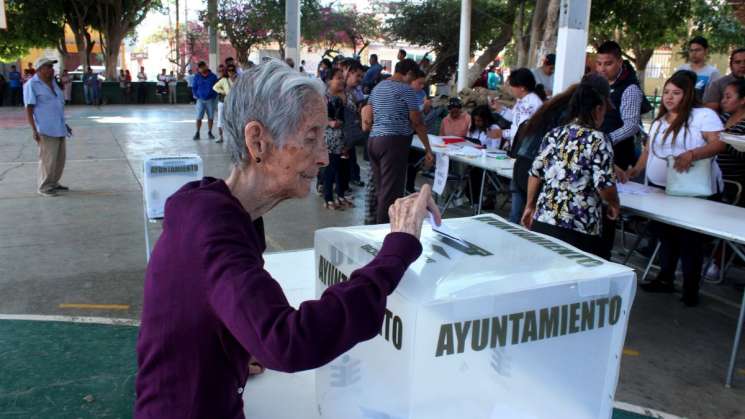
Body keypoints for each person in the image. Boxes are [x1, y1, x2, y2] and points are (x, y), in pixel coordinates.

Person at [134, 59, 441, 419]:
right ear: (257, 140)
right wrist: (398, 248)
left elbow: (207, 307)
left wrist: (235, 342)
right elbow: (288, 342)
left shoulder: (218, 213)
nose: (324, 156)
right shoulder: (212, 228)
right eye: (311, 138)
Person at [626, 72, 726, 306]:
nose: (669, 98)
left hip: (692, 191)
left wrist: (693, 154)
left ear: (688, 94)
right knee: (665, 236)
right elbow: (649, 151)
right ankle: (665, 278)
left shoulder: (703, 116)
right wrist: (634, 171)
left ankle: (690, 288)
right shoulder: (661, 121)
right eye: (667, 92)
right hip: (661, 189)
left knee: (689, 240)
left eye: (676, 93)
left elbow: (719, 143)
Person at [521, 78, 620, 259]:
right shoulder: (598, 139)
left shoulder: (555, 134)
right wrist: (613, 203)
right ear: (598, 109)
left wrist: (529, 205)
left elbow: (535, 173)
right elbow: (604, 185)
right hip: (580, 226)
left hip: (545, 219)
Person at [368, 59, 434, 223]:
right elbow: (417, 121)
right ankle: (385, 230)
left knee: (381, 189)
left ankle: (375, 225)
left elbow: (367, 114)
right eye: (413, 79)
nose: (413, 83)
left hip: (374, 140)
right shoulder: (406, 90)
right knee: (391, 192)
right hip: (393, 142)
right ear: (409, 73)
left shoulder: (378, 88)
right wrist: (428, 148)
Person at [508, 84, 578, 223]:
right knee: (534, 222)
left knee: (516, 218)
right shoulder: (565, 117)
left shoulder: (549, 108)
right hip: (534, 169)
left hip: (521, 165)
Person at [595, 40, 652, 171]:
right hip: (594, 150)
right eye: (599, 64)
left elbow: (631, 126)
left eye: (608, 64)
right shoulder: (595, 84)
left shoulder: (630, 89)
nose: (602, 69)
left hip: (618, 155)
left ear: (620, 62)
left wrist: (606, 140)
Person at [23, 58, 70, 197]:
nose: (51, 69)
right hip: (45, 128)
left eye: (52, 67)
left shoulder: (53, 82)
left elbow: (56, 105)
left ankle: (54, 182)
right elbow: (29, 109)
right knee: (47, 159)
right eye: (48, 66)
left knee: (59, 159)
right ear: (40, 69)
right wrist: (33, 129)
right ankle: (44, 186)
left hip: (59, 126)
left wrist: (64, 123)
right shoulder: (31, 85)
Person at [491, 68, 546, 150]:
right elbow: (515, 118)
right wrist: (499, 108)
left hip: (524, 148)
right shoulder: (523, 100)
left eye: (511, 86)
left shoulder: (530, 103)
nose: (510, 89)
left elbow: (521, 129)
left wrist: (502, 133)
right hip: (519, 146)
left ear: (522, 87)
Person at [321, 68, 352, 210]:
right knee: (330, 168)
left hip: (344, 138)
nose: (341, 80)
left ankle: (340, 195)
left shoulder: (346, 96)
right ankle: (328, 198)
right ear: (329, 81)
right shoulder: (323, 97)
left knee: (343, 168)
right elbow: (315, 115)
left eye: (342, 78)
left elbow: (351, 114)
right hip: (329, 138)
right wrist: (329, 122)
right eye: (338, 78)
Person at [343, 61, 367, 188]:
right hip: (343, 130)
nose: (360, 79)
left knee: (350, 156)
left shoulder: (357, 90)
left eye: (361, 76)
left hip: (352, 129)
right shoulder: (341, 89)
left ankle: (352, 178)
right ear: (349, 74)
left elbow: (361, 105)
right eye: (358, 76)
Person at [717, 79, 745, 187]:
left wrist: (724, 142)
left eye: (728, 97)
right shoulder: (723, 118)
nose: (723, 101)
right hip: (716, 179)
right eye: (723, 97)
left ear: (743, 100)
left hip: (735, 183)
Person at [704, 48, 745, 112]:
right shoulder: (717, 84)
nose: (742, 65)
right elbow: (710, 111)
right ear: (731, 65)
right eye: (737, 62)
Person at [192, 61, 219, 141]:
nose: (201, 69)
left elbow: (216, 87)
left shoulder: (213, 76)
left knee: (210, 117)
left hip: (210, 100)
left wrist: (213, 96)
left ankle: (210, 132)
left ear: (206, 66)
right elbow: (194, 87)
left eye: (203, 67)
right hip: (200, 100)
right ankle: (197, 132)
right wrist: (196, 95)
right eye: (200, 68)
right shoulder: (197, 76)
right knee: (198, 117)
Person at [213, 64, 239, 144]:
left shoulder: (238, 79)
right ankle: (221, 137)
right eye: (229, 71)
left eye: (232, 71)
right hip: (223, 102)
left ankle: (234, 137)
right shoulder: (223, 80)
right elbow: (215, 87)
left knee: (233, 120)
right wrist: (223, 92)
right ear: (227, 72)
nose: (231, 72)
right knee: (220, 119)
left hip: (234, 103)